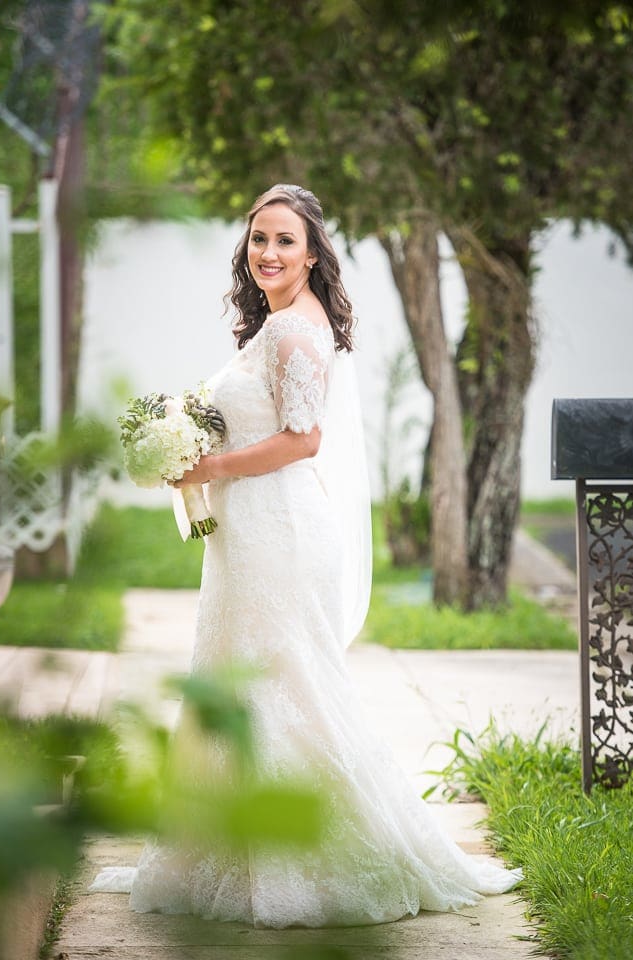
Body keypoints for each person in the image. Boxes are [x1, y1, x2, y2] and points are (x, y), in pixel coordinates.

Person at [90, 184, 521, 927]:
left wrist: (205, 467)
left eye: (285, 240)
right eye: (258, 239)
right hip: (255, 530)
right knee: (250, 686)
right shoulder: (283, 323)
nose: (268, 253)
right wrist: (187, 436)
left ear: (313, 252)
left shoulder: (293, 333)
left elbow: (302, 441)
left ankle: (321, 858)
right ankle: (238, 846)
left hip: (280, 533)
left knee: (288, 691)